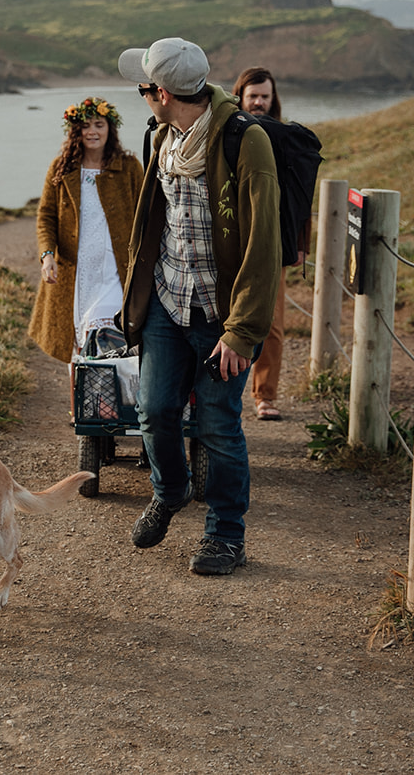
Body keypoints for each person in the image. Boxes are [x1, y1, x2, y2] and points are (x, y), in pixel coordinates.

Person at [117, 38, 281, 575]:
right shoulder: (161, 136)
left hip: (221, 314)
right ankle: (170, 491)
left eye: (144, 87)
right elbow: (154, 223)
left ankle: (225, 535)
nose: (141, 96)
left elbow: (263, 244)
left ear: (161, 92)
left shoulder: (243, 140)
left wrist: (241, 332)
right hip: (168, 299)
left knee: (217, 424)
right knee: (155, 411)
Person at [29, 97, 145, 362]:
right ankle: (82, 402)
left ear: (110, 129)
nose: (92, 131)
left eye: (99, 124)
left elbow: (145, 214)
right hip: (77, 274)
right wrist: (47, 255)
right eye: (86, 126)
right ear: (76, 131)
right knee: (79, 349)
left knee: (110, 341)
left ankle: (110, 402)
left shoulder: (128, 168)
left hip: (116, 272)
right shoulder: (61, 168)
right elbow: (45, 216)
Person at [232, 66, 305, 421]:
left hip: (272, 244)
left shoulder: (287, 139)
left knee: (272, 324)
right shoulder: (226, 132)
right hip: (230, 241)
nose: (259, 102)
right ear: (241, 98)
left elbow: (299, 196)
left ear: (273, 98)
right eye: (253, 97)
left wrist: (301, 241)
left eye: (265, 96)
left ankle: (265, 396)